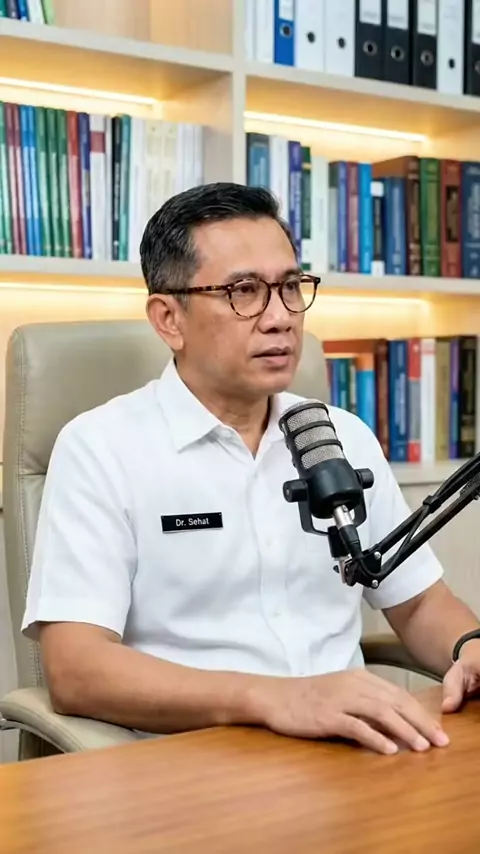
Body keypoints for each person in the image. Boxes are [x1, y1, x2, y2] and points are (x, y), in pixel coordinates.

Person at [22, 182, 480, 757]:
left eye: (290, 287)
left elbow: (418, 602)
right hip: (190, 763)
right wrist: (276, 699)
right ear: (168, 319)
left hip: (355, 753)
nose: (281, 317)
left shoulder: (341, 436)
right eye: (244, 292)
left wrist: (468, 646)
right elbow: (77, 668)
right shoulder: (101, 448)